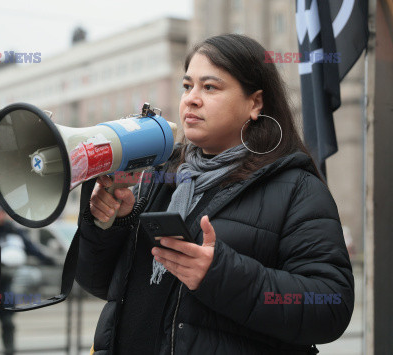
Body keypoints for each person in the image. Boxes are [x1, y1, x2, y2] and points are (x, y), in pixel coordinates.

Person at [75, 34, 354, 355]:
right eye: (187, 86)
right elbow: (100, 283)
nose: (191, 99)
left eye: (210, 87)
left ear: (255, 103)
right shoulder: (159, 177)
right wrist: (111, 223)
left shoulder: (297, 189)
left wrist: (221, 275)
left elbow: (330, 305)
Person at [0, 202, 55, 355]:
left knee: (7, 320)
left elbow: (30, 248)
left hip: (4, 281)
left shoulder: (12, 230)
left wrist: (49, 260)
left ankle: (9, 351)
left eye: (1, 213)